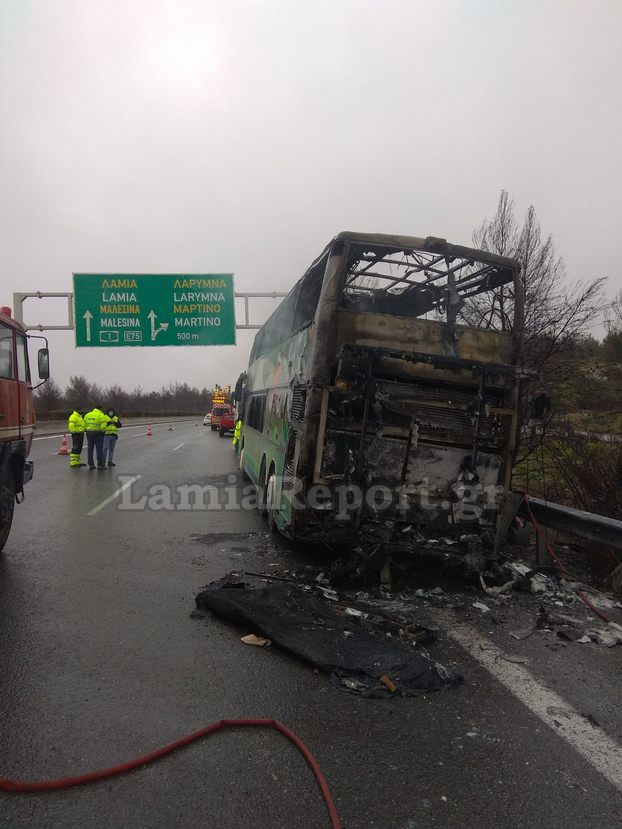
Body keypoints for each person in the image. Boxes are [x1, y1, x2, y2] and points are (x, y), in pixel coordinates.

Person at [83, 404, 108, 470]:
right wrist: (103, 432)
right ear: (100, 409)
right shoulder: (101, 415)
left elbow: (84, 424)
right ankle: (100, 465)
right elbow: (103, 426)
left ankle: (91, 464)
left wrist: (87, 430)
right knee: (99, 450)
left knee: (90, 449)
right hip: (98, 433)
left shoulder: (87, 415)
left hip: (89, 433)